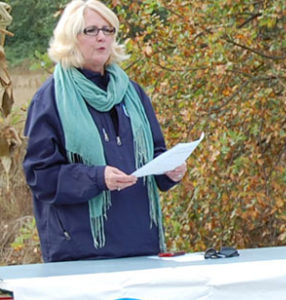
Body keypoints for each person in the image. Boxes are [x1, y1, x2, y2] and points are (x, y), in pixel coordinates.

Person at [23, 0, 187, 263]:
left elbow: (155, 153)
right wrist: (97, 177)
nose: (101, 37)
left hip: (140, 246)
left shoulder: (132, 92)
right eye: (91, 30)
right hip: (80, 251)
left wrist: (170, 171)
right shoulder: (51, 98)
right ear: (70, 37)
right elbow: (41, 176)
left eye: (108, 30)